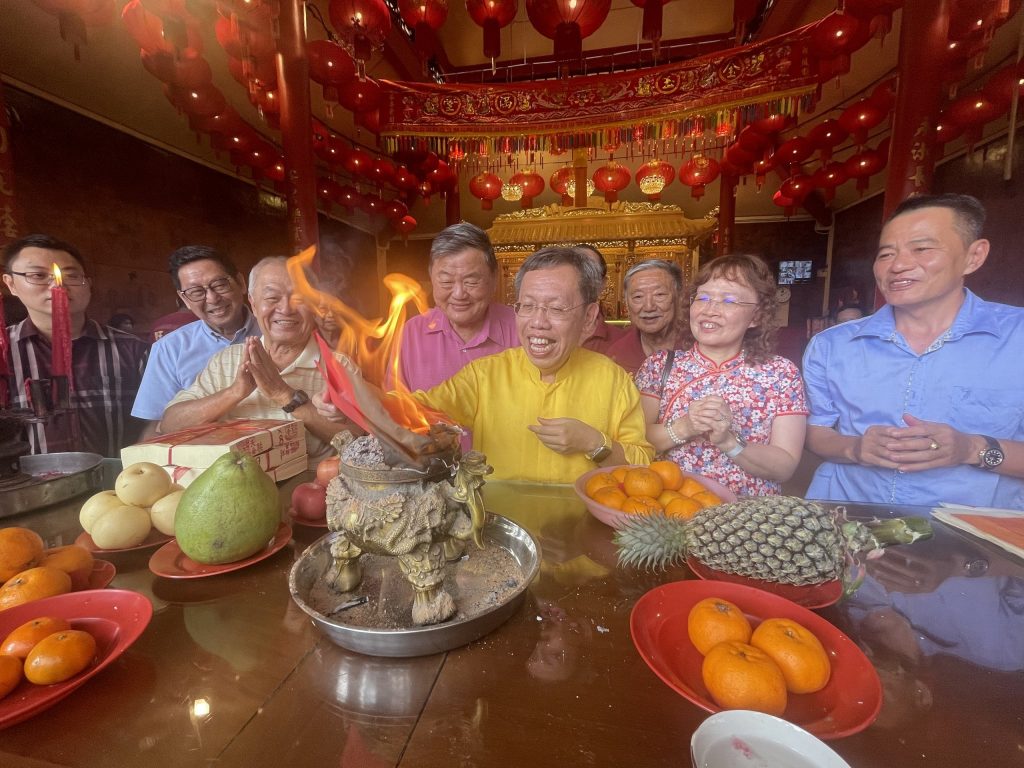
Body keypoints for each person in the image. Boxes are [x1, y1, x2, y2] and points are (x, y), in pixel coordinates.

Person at [323, 247, 653, 483]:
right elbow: (415, 412)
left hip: (583, 534)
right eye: (527, 306)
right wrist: (354, 393)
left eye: (556, 309)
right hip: (497, 529)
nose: (537, 322)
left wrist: (594, 444)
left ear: (589, 318)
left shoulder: (613, 381)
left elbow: (643, 471)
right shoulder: (485, 375)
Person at [803, 193, 1024, 508]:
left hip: (971, 537)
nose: (899, 265)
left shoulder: (1017, 337)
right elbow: (815, 432)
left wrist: (971, 448)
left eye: (922, 248)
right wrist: (855, 448)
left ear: (974, 256)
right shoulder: (832, 345)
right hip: (847, 523)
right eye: (886, 254)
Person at [635, 254, 807, 496]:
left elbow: (785, 465)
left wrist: (729, 442)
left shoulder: (781, 374)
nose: (710, 310)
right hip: (673, 511)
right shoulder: (659, 366)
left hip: (747, 520)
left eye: (728, 301)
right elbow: (634, 441)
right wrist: (685, 427)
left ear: (756, 316)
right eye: (703, 298)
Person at [160, 257, 355, 464]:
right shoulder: (226, 361)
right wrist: (235, 391)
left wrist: (284, 395)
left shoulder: (339, 367)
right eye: (272, 299)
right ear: (253, 304)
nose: (286, 309)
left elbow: (359, 444)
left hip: (307, 492)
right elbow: (170, 424)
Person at [2, 234, 148, 456]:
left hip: (120, 485)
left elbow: (157, 418)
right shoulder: (4, 354)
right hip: (29, 487)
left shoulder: (133, 349)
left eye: (71, 276)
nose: (56, 285)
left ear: (88, 284)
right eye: (38, 275)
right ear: (10, 284)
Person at [131, 245, 261, 437]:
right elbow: (158, 425)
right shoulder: (169, 349)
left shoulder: (274, 332)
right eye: (196, 292)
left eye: (219, 285)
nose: (212, 298)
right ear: (184, 299)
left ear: (241, 283)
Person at [391, 222, 518, 391]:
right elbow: (393, 405)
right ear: (431, 278)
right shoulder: (411, 333)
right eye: (446, 282)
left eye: (471, 281)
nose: (459, 294)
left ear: (494, 278)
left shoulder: (522, 330)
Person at [605, 259, 684, 374]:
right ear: (626, 303)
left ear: (679, 297)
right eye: (638, 297)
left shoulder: (699, 346)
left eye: (659, 294)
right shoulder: (616, 355)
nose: (648, 307)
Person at [577, 244, 627, 354]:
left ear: (603, 284)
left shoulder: (622, 342)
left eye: (591, 272)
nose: (583, 279)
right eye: (576, 270)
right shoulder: (541, 336)